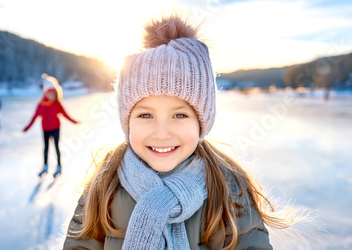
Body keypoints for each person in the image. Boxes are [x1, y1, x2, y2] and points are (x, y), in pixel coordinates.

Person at [63, 14, 310, 249]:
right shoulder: (106, 182)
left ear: (202, 122)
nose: (161, 133)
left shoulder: (227, 184)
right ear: (127, 122)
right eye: (145, 115)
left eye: (179, 115)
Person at [23, 73, 79, 177]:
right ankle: (45, 166)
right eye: (49, 94)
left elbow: (65, 114)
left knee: (56, 147)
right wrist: (27, 127)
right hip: (45, 129)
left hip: (56, 129)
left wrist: (74, 121)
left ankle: (59, 166)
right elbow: (34, 116)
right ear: (46, 93)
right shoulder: (41, 104)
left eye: (53, 94)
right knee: (46, 148)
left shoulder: (57, 104)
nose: (51, 96)